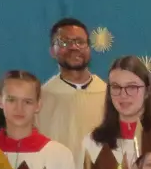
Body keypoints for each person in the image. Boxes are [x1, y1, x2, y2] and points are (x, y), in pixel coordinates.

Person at [37, 17, 108, 151]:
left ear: (89, 48)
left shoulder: (109, 95)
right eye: (64, 42)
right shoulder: (40, 99)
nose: (74, 47)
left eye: (80, 42)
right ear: (52, 50)